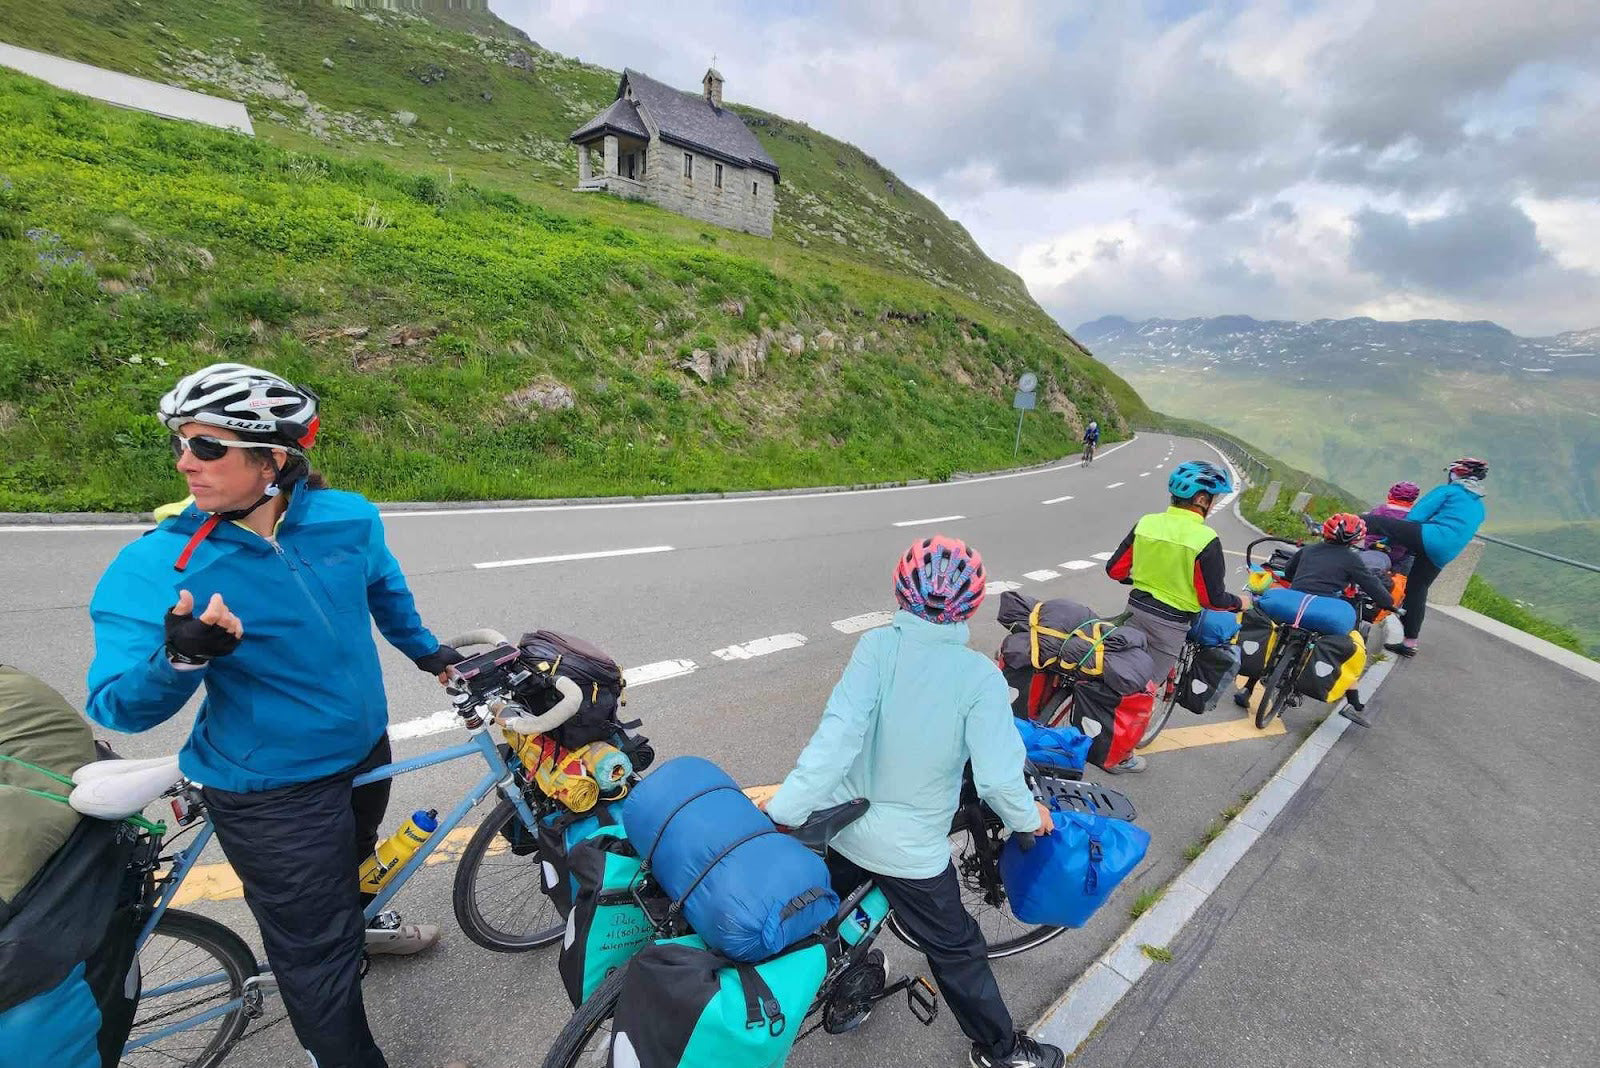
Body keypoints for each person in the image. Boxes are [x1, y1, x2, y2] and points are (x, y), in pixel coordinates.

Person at [83, 363, 466, 1068]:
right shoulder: (156, 568)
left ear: (276, 458)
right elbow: (114, 704)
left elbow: (384, 587)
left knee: (354, 865)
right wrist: (183, 659)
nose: (184, 463)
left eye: (207, 446)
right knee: (315, 955)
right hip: (271, 791)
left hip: (361, 749)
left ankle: (361, 924)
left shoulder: (347, 518)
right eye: (180, 443)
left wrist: (431, 655)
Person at [763, 536, 1063, 1068]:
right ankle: (1001, 1051)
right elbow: (995, 779)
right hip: (909, 853)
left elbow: (837, 738)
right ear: (972, 605)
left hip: (842, 824)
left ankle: (838, 982)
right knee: (958, 949)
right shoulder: (978, 678)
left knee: (822, 915)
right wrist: (1029, 817)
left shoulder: (876, 648)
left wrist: (786, 812)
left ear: (901, 592)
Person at [1104, 460, 1244, 772]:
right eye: (1213, 499)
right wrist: (1239, 602)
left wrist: (1147, 580)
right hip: (1170, 626)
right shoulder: (1205, 539)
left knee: (1118, 666)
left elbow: (1115, 570)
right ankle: (1121, 756)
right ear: (1202, 500)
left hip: (1135, 609)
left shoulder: (1147, 524)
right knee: (1145, 688)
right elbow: (1212, 598)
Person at [1361, 458, 1488, 658]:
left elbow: (1415, 517)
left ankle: (1330, 528)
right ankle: (1409, 643)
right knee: (1417, 591)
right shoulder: (1480, 507)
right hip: (1445, 553)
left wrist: (1386, 539)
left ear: (1456, 474)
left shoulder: (1449, 491)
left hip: (1432, 537)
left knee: (1377, 521)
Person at [1365, 480, 1421, 572]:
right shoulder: (1413, 516)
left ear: (1390, 495)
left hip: (1370, 547)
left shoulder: (1381, 509)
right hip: (1396, 555)